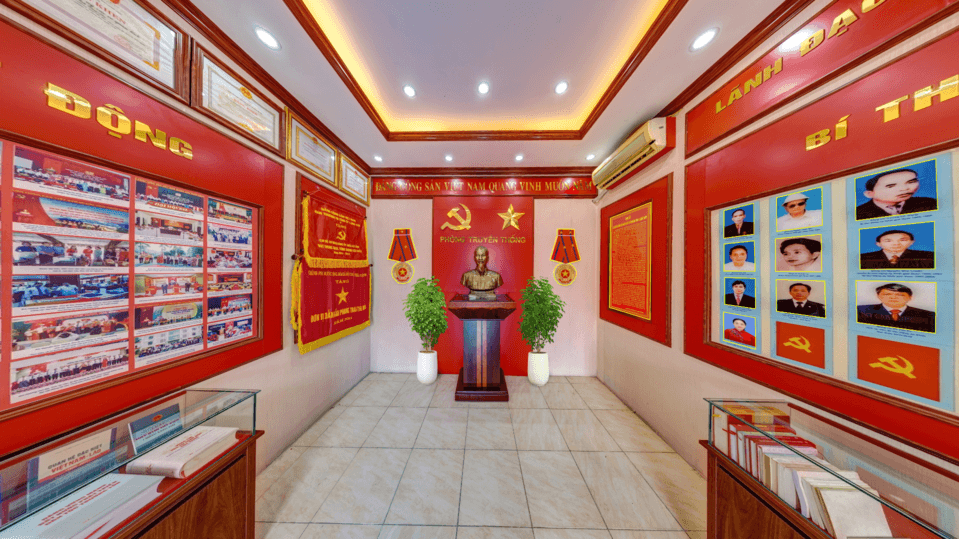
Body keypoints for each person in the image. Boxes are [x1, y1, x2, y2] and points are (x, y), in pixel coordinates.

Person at [856, 169, 937, 220]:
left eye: (911, 182)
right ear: (870, 194)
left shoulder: (930, 203)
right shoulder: (858, 213)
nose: (904, 189)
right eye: (891, 186)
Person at [857, 283, 935, 332]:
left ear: (910, 297)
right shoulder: (861, 311)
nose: (893, 298)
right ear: (878, 296)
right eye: (887, 294)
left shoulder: (928, 315)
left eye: (899, 295)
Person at [860, 229, 934, 269]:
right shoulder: (863, 258)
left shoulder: (929, 256)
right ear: (878, 244)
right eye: (888, 241)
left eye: (902, 240)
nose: (896, 244)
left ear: (911, 242)